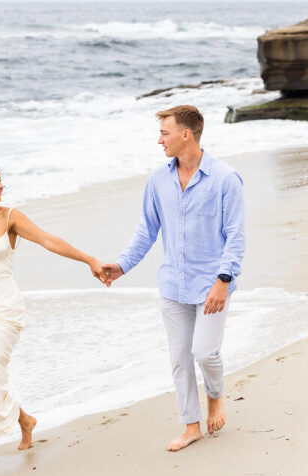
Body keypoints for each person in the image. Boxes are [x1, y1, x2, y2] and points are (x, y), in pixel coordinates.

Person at [101, 105, 245, 452]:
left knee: (205, 353)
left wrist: (223, 281)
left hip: (212, 285)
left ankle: (215, 395)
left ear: (186, 135)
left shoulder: (226, 179)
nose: (159, 140)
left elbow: (236, 235)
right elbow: (147, 229)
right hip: (173, 285)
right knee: (180, 358)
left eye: (164, 133)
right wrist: (122, 265)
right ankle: (190, 425)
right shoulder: (158, 180)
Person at [0, 160, 105, 475]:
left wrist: (89, 259)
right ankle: (25, 420)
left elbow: (49, 240)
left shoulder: (11, 218)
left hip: (5, 309)